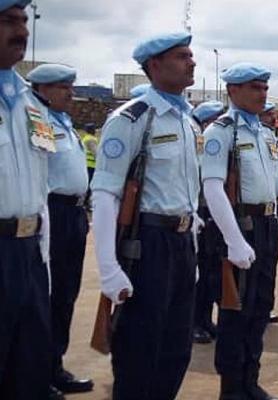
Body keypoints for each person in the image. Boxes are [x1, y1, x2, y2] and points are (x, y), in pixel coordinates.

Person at [91, 32, 200, 399]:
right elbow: (106, 192)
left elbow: (187, 193)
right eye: (182, 56)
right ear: (155, 66)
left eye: (191, 55)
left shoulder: (187, 121)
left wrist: (192, 244)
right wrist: (108, 267)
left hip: (182, 243)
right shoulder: (134, 118)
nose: (192, 62)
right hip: (147, 244)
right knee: (140, 348)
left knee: (176, 348)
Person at [201, 62, 278, 400]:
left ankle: (251, 381)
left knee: (260, 307)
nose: (262, 94)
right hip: (240, 226)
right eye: (254, 87)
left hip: (267, 225)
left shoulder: (266, 133)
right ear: (232, 91)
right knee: (236, 311)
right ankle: (232, 388)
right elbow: (213, 186)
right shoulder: (221, 131)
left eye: (264, 87)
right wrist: (233, 239)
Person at [27, 63, 96, 398]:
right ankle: (39, 374)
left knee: (67, 293)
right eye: (63, 87)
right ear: (42, 90)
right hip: (52, 211)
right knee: (47, 297)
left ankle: (55, 365)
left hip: (74, 213)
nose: (71, 93)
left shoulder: (65, 125)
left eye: (71, 86)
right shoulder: (36, 122)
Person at [0, 2, 56, 398]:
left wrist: (43, 253)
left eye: (22, 21)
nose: (21, 30)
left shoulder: (32, 103)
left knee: (30, 362)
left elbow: (40, 183)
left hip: (28, 249)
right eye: (7, 21)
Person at [191, 100, 226, 345]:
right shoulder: (199, 147)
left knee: (213, 272)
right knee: (201, 272)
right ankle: (194, 322)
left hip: (214, 215)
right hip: (200, 212)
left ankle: (205, 319)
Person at [261, 102, 278, 324]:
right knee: (259, 262)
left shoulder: (273, 137)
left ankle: (265, 305)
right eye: (268, 114)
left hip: (275, 206)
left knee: (270, 260)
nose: (273, 117)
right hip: (258, 210)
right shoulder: (259, 136)